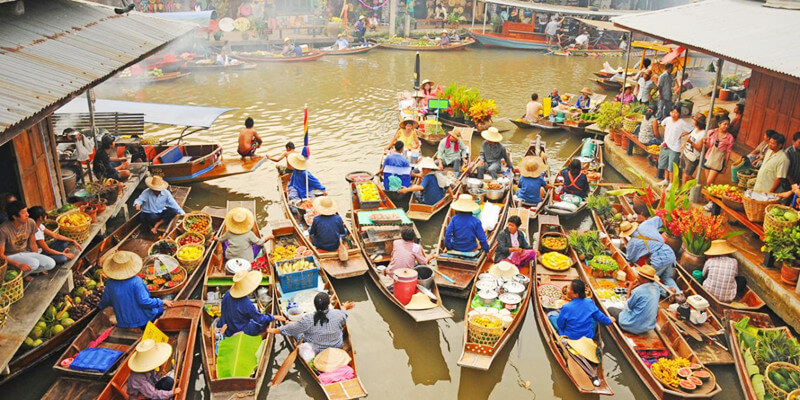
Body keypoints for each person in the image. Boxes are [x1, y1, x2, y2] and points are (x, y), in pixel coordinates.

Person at [98, 251, 171, 329]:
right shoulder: (137, 281)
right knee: (160, 310)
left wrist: (100, 306)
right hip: (143, 319)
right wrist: (162, 301)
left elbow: (106, 301)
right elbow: (144, 301)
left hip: (123, 322)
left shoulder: (110, 283)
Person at [268, 292, 354, 355]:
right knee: (294, 325)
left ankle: (290, 323)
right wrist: (344, 307)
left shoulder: (308, 319)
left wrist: (271, 330)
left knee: (292, 326)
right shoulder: (338, 314)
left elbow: (290, 330)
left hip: (316, 350)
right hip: (337, 346)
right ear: (328, 305)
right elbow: (344, 314)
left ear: (315, 305)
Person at [620, 217, 681, 295]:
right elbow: (659, 219)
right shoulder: (645, 224)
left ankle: (667, 292)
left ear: (626, 234)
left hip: (659, 258)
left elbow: (631, 259)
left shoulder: (632, 243)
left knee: (649, 281)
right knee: (667, 278)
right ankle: (679, 294)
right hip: (670, 252)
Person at [217, 270, 284, 336]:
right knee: (262, 325)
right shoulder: (246, 303)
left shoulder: (228, 293)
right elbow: (260, 319)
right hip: (239, 329)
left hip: (227, 325)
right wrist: (274, 317)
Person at [0, 201, 56, 278]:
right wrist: (18, 264)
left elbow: (33, 244)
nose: (28, 214)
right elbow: (1, 255)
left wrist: (40, 265)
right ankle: (17, 277)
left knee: (50, 263)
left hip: (25, 253)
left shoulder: (30, 222)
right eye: (24, 213)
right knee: (34, 263)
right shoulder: (3, 230)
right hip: (10, 256)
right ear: (14, 217)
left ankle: (27, 272)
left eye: (27, 211)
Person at [548, 279, 613, 339]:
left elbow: (560, 325)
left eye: (569, 289)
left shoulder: (566, 307)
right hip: (588, 336)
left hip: (570, 337)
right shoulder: (589, 302)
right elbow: (600, 317)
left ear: (576, 294)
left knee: (551, 314)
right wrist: (609, 320)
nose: (567, 290)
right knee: (593, 317)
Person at [607, 264, 661, 335]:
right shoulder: (656, 289)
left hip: (632, 325)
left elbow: (628, 306)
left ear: (645, 279)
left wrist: (630, 288)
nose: (637, 277)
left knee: (610, 309)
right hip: (647, 326)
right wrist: (637, 285)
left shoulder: (638, 291)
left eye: (639, 276)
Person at [702, 116, 737, 210]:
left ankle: (711, 202)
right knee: (709, 183)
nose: (726, 126)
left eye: (728, 124)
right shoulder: (712, 132)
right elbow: (708, 145)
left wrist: (725, 165)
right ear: (719, 124)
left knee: (710, 181)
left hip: (718, 161)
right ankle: (710, 200)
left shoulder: (730, 138)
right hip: (708, 157)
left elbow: (728, 152)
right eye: (724, 124)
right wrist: (705, 142)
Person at [657, 106, 693, 187]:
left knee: (671, 167)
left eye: (676, 112)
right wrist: (667, 130)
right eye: (672, 112)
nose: (674, 114)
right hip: (665, 144)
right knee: (665, 165)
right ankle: (666, 180)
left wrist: (682, 134)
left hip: (674, 147)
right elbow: (662, 124)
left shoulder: (681, 122)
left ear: (679, 114)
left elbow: (690, 129)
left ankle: (671, 183)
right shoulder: (668, 119)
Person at [680, 113, 707, 184]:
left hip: (693, 157)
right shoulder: (695, 129)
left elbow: (700, 149)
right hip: (686, 153)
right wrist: (684, 144)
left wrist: (691, 142)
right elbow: (689, 137)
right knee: (684, 171)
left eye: (694, 120)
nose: (692, 121)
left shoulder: (703, 134)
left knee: (686, 175)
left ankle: (686, 188)